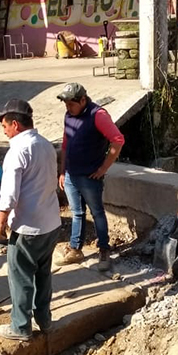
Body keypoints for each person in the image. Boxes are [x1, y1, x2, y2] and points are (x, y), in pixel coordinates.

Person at [0, 99, 61, 341]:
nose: (3, 130)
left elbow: (9, 194)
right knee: (43, 275)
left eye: (4, 125)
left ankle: (20, 327)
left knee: (20, 277)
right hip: (50, 223)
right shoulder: (46, 145)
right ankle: (45, 321)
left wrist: (0, 222)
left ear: (15, 124)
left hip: (28, 226)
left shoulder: (17, 151)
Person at [55, 83, 125, 271]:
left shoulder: (98, 116)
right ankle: (76, 248)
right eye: (66, 104)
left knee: (97, 213)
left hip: (90, 176)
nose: (68, 108)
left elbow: (118, 140)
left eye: (71, 104)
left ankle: (104, 250)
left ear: (83, 100)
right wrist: (62, 171)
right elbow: (65, 143)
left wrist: (103, 168)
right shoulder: (69, 115)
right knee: (77, 212)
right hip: (71, 174)